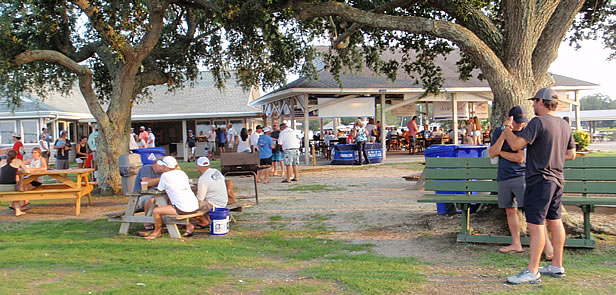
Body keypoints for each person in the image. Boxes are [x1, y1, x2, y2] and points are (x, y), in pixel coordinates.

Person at [504, 88, 576, 284]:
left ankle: (532, 271)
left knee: (535, 225)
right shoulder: (564, 124)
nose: (533, 105)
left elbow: (516, 145)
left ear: (541, 101)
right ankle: (557, 265)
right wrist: (552, 154)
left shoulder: (538, 122)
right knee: (555, 220)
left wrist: (507, 129)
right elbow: (571, 154)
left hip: (540, 180)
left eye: (534, 102)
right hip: (558, 179)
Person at [145, 156, 199, 240]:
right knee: (171, 204)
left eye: (162, 166)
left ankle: (157, 232)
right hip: (194, 205)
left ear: (166, 167)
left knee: (157, 211)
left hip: (183, 208)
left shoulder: (165, 175)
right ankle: (189, 226)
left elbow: (160, 189)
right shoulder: (182, 173)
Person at [192, 157, 237, 229]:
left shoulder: (203, 179)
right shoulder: (216, 171)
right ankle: (207, 219)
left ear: (199, 166)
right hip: (223, 201)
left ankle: (204, 221)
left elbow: (200, 198)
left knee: (189, 206)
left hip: (213, 205)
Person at [132, 157, 165, 230]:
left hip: (157, 195)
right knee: (150, 199)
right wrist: (162, 178)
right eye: (162, 166)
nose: (163, 168)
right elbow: (146, 182)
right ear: (156, 163)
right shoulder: (146, 168)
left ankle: (169, 219)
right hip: (139, 196)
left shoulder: (164, 172)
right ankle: (147, 221)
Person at [0, 150, 30, 216]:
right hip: (10, 186)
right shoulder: (18, 161)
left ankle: (18, 210)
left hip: (1, 186)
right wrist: (19, 170)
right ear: (16, 156)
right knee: (17, 189)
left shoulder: (2, 161)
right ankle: (18, 210)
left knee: (15, 190)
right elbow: (27, 171)